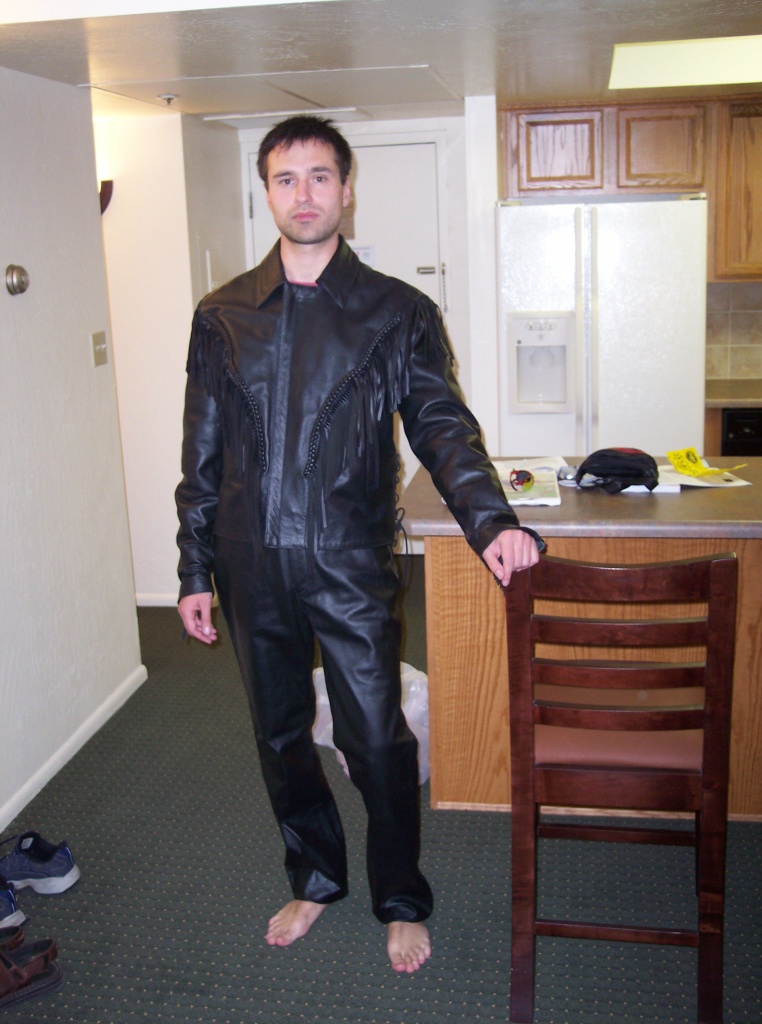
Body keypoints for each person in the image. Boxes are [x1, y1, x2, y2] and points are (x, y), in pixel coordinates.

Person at [176, 115, 543, 974]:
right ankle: (314, 877)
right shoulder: (221, 314)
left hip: (348, 562)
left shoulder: (396, 311)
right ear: (267, 192)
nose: (302, 194)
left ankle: (400, 897)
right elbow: (200, 450)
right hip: (249, 561)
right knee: (279, 737)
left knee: (376, 738)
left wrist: (489, 520)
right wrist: (193, 567)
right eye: (285, 179)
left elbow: (442, 426)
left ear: (345, 189)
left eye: (318, 176)